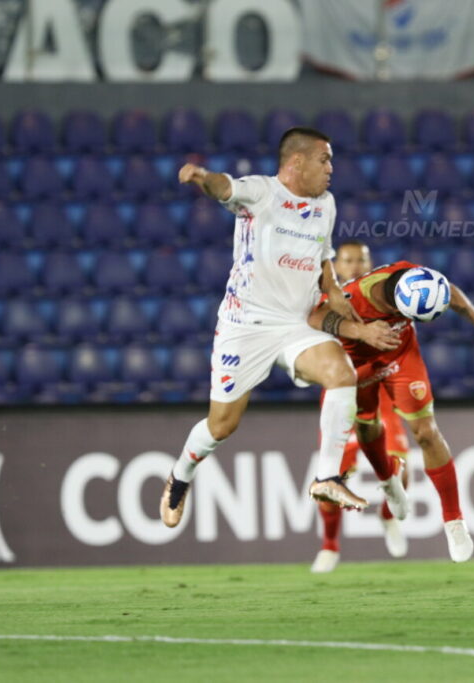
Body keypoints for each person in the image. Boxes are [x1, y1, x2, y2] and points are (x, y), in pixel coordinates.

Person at [158, 127, 403, 530]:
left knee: (341, 373)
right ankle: (181, 474)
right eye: (324, 160)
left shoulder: (326, 204)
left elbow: (323, 259)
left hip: (295, 324)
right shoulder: (261, 193)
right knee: (222, 426)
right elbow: (224, 189)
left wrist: (335, 291)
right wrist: (203, 178)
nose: (331, 168)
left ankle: (327, 477)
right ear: (297, 162)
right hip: (246, 325)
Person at [308, 261, 474, 562]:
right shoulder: (354, 297)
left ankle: (454, 521)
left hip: (400, 357)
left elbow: (449, 291)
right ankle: (389, 481)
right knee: (367, 427)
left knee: (427, 432)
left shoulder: (413, 274)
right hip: (356, 365)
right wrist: (360, 331)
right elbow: (315, 316)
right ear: (397, 304)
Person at [311, 240, 413, 573]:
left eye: (361, 260)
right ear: (336, 267)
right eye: (348, 260)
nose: (355, 265)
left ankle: (388, 518)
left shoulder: (386, 299)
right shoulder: (324, 304)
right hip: (343, 393)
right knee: (331, 476)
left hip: (380, 391)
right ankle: (329, 546)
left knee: (401, 466)